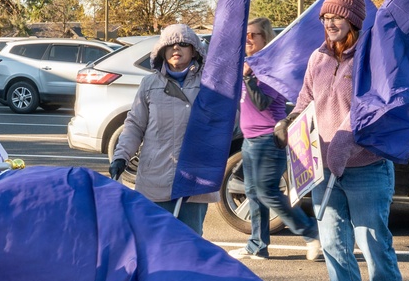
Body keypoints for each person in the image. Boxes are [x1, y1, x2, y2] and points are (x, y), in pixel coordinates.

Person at [282, 0, 408, 281]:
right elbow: (305, 99)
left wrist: (342, 142)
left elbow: (372, 109)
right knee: (335, 248)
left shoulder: (371, 57)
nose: (330, 23)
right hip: (322, 169)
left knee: (374, 247)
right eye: (325, 18)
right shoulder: (317, 58)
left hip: (366, 168)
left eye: (337, 17)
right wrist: (289, 123)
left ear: (354, 21)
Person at [109, 24, 218, 235]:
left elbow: (225, 123)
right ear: (161, 51)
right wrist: (121, 156)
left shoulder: (210, 84)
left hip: (194, 178)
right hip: (155, 177)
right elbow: (134, 125)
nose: (176, 48)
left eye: (183, 44)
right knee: (153, 242)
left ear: (194, 50)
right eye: (170, 45)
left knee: (189, 243)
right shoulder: (149, 84)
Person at [229, 17, 323, 262]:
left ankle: (312, 232)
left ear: (265, 39)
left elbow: (262, 104)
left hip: (269, 139)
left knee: (267, 191)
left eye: (253, 35)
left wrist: (249, 78)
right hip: (250, 140)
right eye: (246, 34)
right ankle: (257, 246)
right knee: (252, 192)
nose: (248, 39)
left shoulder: (272, 70)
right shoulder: (248, 65)